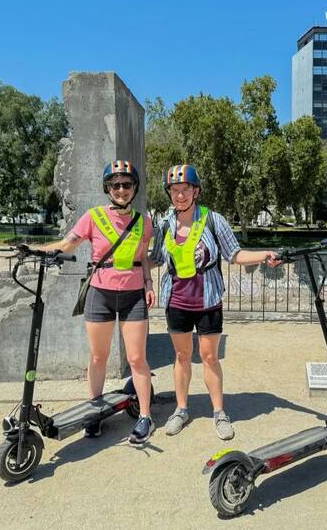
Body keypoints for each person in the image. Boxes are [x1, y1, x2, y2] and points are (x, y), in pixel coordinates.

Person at [150, 164, 280, 440]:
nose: (180, 195)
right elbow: (156, 259)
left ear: (196, 191)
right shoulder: (165, 224)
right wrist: (122, 265)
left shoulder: (213, 220)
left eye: (185, 190)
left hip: (208, 300)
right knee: (182, 356)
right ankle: (182, 409)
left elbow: (234, 254)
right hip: (176, 300)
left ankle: (219, 412)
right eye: (175, 190)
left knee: (209, 357)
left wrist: (264, 254)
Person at [36, 160, 156, 444]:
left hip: (132, 295)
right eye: (116, 185)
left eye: (127, 185)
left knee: (137, 358)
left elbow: (143, 259)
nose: (122, 189)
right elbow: (67, 244)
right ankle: (95, 413)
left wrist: (149, 284)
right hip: (100, 293)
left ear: (134, 188)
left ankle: (145, 417)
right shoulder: (93, 216)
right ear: (107, 188)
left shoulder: (144, 222)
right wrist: (33, 249)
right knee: (99, 357)